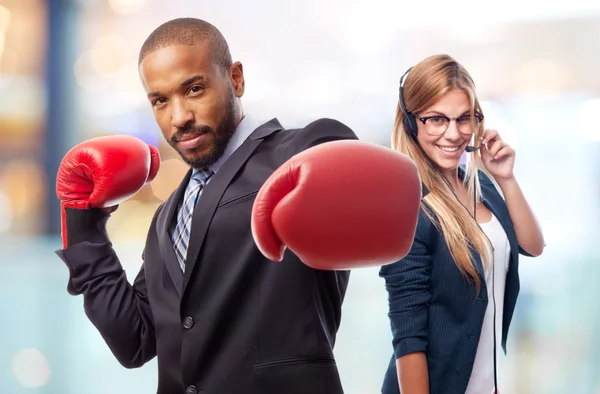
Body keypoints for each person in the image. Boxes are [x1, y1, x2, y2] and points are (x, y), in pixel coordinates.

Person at [53, 18, 423, 394]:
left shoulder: (301, 151)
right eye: (160, 101)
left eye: (194, 89)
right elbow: (134, 341)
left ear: (236, 79)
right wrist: (83, 222)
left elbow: (368, 190)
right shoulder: (168, 218)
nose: (179, 117)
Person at [379, 54, 545, 394]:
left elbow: (532, 245)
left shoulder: (478, 186)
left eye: (464, 118)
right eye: (437, 119)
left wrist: (506, 179)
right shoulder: (409, 207)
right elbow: (408, 335)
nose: (453, 134)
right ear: (412, 122)